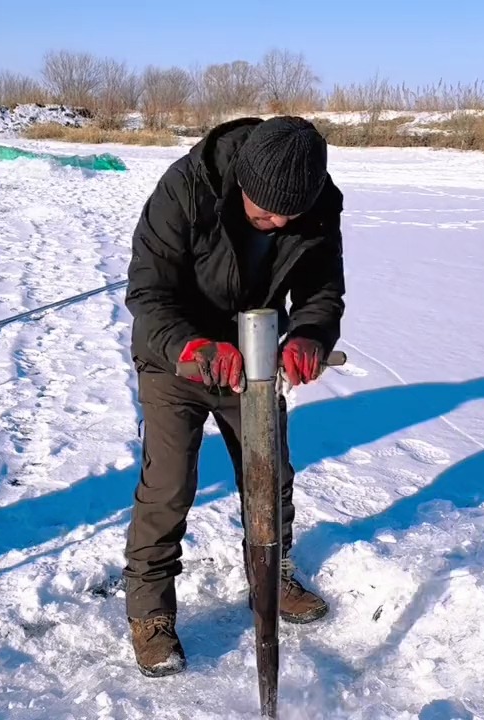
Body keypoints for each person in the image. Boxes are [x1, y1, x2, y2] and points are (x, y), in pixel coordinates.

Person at [122, 116, 346, 677]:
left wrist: (311, 338)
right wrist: (194, 346)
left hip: (258, 357)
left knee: (268, 472)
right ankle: (150, 613)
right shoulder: (185, 188)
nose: (278, 225)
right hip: (177, 355)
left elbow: (322, 290)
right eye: (266, 214)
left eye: (289, 217)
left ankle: (273, 574)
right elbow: (147, 294)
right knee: (170, 483)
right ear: (241, 181)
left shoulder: (317, 203)